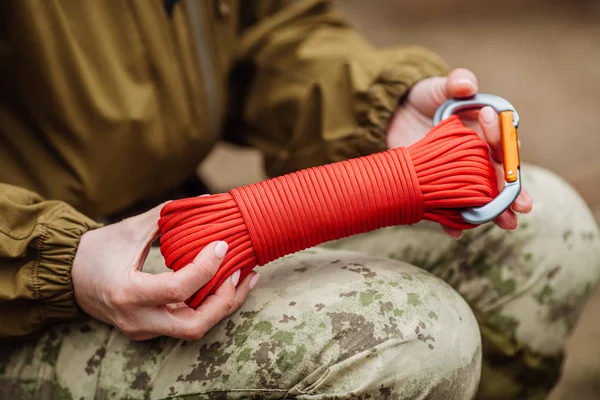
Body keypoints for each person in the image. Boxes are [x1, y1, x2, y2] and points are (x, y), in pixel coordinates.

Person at [0, 0, 598, 399]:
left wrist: (374, 104)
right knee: (407, 333)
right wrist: (52, 259)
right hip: (27, 298)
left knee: (552, 229)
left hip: (165, 237)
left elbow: (269, 28)